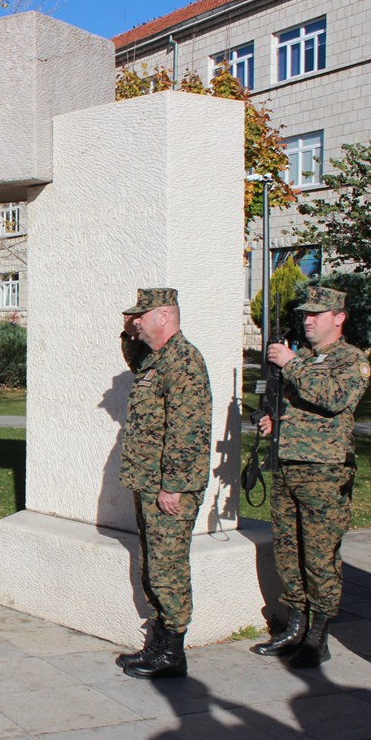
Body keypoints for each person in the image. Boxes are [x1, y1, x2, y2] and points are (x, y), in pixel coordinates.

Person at [251, 286, 370, 668]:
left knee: (319, 556)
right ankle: (295, 622)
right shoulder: (303, 358)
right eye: (305, 313)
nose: (308, 319)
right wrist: (276, 419)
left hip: (324, 470)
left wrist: (291, 364)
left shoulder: (351, 360)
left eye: (317, 314)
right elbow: (298, 406)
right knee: (289, 552)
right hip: (289, 465)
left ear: (339, 318)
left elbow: (335, 397)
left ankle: (318, 632)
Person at [115, 287, 212, 680]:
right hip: (151, 481)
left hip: (170, 486)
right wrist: (128, 330)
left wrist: (173, 485)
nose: (137, 321)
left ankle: (173, 651)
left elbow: (188, 430)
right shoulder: (156, 359)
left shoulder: (184, 360)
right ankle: (157, 642)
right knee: (154, 564)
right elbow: (133, 356)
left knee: (168, 567)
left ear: (165, 316)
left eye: (143, 315)